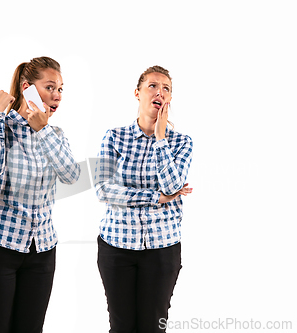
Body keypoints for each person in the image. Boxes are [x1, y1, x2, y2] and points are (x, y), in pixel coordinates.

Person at [0, 56, 80, 333]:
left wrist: (42, 130)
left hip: (41, 250)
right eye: (50, 87)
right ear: (27, 87)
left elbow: (72, 176)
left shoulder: (55, 134)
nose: (57, 96)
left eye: (61, 89)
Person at [95, 65, 194, 333]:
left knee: (153, 326)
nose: (159, 92)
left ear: (170, 99)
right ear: (137, 93)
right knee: (121, 326)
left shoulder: (181, 142)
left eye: (166, 89)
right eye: (152, 86)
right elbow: (103, 190)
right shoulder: (114, 137)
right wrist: (157, 198)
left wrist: (160, 138)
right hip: (116, 246)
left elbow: (173, 185)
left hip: (162, 248)